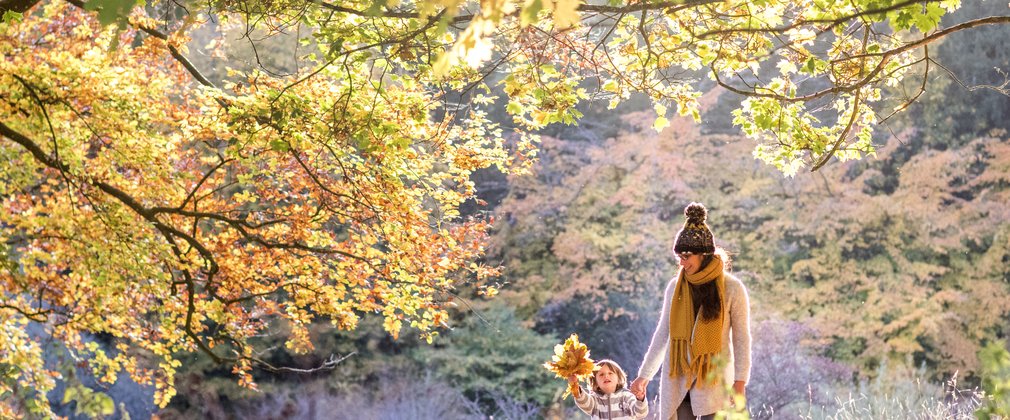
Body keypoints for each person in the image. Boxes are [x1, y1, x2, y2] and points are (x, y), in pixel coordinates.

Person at [629, 202, 751, 420]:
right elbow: (663, 334)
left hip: (714, 382)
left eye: (687, 256)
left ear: (703, 254)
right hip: (678, 381)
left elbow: (742, 338)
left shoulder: (732, 288)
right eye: (679, 258)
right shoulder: (675, 289)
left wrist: (740, 382)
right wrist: (644, 376)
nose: (682, 263)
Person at [569, 359, 649, 419]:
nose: (606, 376)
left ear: (618, 378)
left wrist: (640, 399)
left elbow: (640, 414)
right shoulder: (595, 400)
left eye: (610, 373)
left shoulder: (626, 396)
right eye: (601, 374)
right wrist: (574, 385)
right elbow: (583, 401)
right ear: (595, 382)